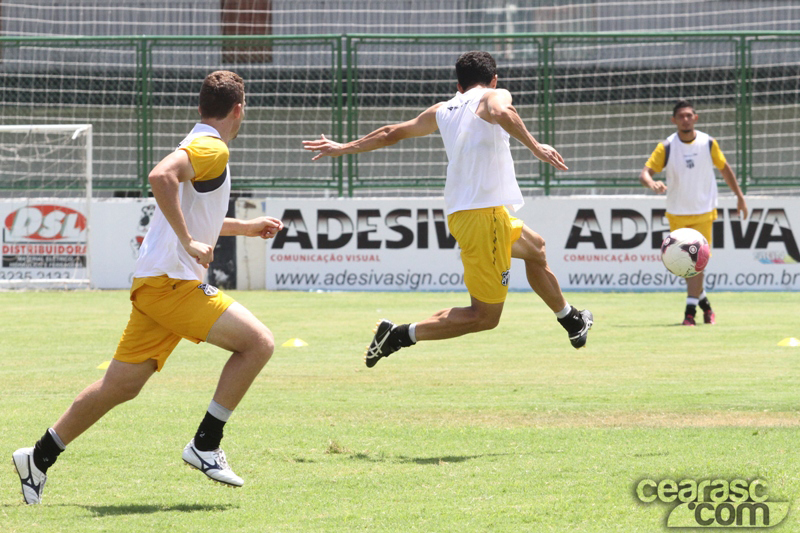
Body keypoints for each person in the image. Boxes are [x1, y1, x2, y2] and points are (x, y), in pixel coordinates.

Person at [13, 70, 284, 504]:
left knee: (120, 385)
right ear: (239, 109)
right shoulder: (211, 146)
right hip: (171, 285)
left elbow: (196, 218)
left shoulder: (202, 142)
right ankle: (206, 444)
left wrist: (244, 229)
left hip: (156, 283)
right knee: (259, 343)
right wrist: (188, 241)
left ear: (200, 107)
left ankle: (38, 456)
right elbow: (162, 177)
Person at [303, 50, 593, 368]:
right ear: (494, 79)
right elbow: (501, 110)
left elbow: (391, 132)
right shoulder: (494, 95)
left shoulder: (444, 109)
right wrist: (537, 147)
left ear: (458, 85)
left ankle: (572, 320)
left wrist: (343, 147)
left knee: (536, 249)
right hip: (484, 217)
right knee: (484, 317)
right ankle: (399, 334)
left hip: (470, 214)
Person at [639, 99, 748, 326]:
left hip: (704, 212)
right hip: (678, 214)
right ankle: (706, 306)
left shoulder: (708, 143)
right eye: (681, 116)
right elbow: (645, 173)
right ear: (674, 120)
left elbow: (725, 169)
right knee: (685, 263)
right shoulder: (667, 146)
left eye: (689, 115)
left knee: (696, 262)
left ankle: (690, 312)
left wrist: (739, 196)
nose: (686, 119)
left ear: (695, 118)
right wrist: (652, 184)